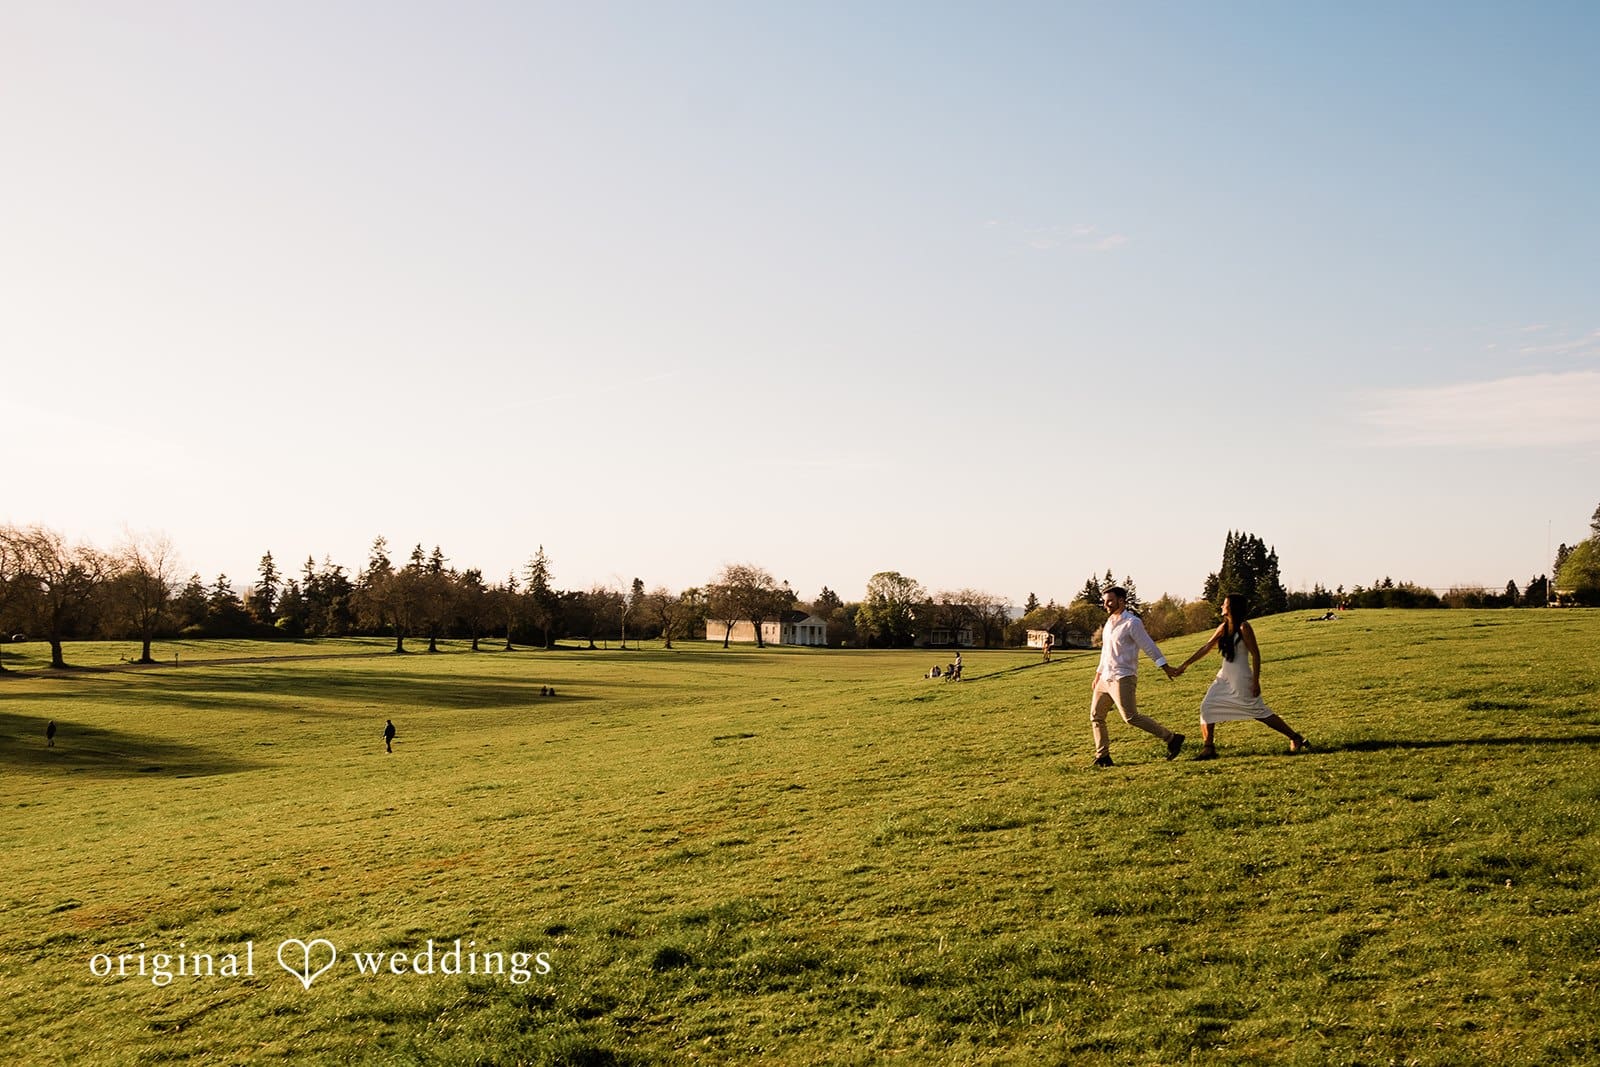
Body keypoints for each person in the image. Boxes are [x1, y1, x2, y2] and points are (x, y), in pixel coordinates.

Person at [1173, 593, 1308, 758]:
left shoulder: (1244, 627)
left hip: (1241, 677)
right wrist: (1184, 665)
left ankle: (1295, 737)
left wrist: (1256, 682)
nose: (1222, 606)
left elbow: (1256, 655)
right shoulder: (1223, 628)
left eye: (1225, 604)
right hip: (1224, 677)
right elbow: (1207, 647)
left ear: (1232, 608)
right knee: (1207, 706)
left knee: (1259, 711)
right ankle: (1208, 748)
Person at [1089, 587, 1183, 766]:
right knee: (1096, 715)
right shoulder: (1109, 622)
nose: (1105, 604)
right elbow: (1105, 652)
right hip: (1105, 677)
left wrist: (1165, 667)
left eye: (1109, 600)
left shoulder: (1132, 623)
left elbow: (1149, 646)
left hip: (1123, 676)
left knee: (1130, 717)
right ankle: (1103, 756)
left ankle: (1172, 738)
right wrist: (1097, 675)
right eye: (1104, 601)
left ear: (1121, 600)